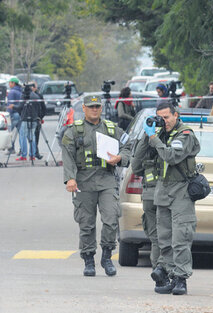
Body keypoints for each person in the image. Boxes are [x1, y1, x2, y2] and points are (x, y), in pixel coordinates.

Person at [61, 95, 131, 277]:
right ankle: (88, 259)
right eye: (91, 106)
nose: (94, 109)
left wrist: (120, 158)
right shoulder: (74, 131)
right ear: (83, 108)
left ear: (101, 109)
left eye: (97, 106)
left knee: (110, 219)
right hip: (83, 181)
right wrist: (70, 178)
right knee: (86, 224)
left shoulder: (111, 128)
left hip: (106, 179)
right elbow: (67, 155)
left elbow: (128, 144)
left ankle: (107, 256)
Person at [144, 102, 200, 295]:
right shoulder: (160, 134)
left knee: (180, 238)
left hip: (181, 192)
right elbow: (140, 158)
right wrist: (148, 135)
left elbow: (172, 157)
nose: (164, 121)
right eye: (160, 117)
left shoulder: (185, 135)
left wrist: (154, 139)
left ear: (176, 115)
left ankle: (181, 278)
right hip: (163, 190)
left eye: (166, 117)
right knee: (164, 238)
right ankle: (167, 275)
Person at [130, 133, 160, 275]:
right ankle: (159, 273)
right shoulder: (147, 142)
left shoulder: (178, 137)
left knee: (168, 237)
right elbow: (136, 166)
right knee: (156, 238)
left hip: (171, 195)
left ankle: (169, 272)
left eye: (166, 117)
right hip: (151, 196)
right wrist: (146, 137)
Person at [9, 83, 42, 161]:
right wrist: (39, 117)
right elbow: (39, 108)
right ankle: (32, 155)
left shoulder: (24, 96)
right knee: (32, 136)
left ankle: (24, 155)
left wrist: (13, 106)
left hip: (25, 119)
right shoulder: (36, 96)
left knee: (22, 136)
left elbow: (20, 107)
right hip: (34, 119)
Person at [6, 77, 22, 154]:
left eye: (10, 82)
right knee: (21, 133)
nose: (9, 84)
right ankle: (22, 149)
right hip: (20, 114)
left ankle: (11, 148)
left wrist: (8, 114)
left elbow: (10, 105)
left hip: (13, 114)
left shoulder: (12, 92)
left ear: (13, 83)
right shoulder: (20, 91)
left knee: (9, 132)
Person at [31, 81, 46, 160]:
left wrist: (40, 117)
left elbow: (43, 108)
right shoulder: (25, 95)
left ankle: (35, 152)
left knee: (36, 137)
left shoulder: (39, 96)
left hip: (37, 119)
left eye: (32, 86)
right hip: (28, 118)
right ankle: (28, 152)